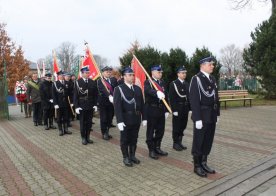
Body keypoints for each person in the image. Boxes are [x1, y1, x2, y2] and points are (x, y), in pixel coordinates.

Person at [189, 56, 220, 177]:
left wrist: (217, 114)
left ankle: (204, 162)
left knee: (208, 140)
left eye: (213, 64)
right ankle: (197, 166)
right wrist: (197, 118)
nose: (212, 66)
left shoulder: (212, 78)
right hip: (202, 115)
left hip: (211, 114)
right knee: (199, 140)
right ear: (202, 65)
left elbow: (216, 98)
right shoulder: (196, 79)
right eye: (210, 64)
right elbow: (194, 100)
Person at [113, 67, 146, 167]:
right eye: (129, 75)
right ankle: (125, 157)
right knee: (125, 139)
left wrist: (144, 117)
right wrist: (119, 121)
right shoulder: (119, 89)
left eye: (133, 75)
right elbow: (117, 106)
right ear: (123, 76)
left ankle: (132, 155)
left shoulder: (137, 89)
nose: (132, 77)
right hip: (125, 118)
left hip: (136, 118)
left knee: (134, 138)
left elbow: (142, 104)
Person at [144, 65, 169, 160]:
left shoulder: (162, 82)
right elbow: (147, 90)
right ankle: (151, 150)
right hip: (152, 109)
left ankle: (157, 147)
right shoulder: (148, 82)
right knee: (150, 131)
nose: (161, 73)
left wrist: (166, 110)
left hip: (161, 109)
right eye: (159, 72)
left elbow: (166, 96)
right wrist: (156, 93)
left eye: (161, 72)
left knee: (160, 130)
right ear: (153, 72)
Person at [74, 66, 98, 145]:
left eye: (88, 73)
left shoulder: (92, 81)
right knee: (83, 123)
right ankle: (83, 138)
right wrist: (76, 106)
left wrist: (95, 104)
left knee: (89, 123)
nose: (88, 74)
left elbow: (95, 94)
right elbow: (75, 95)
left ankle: (88, 137)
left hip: (90, 105)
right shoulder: (78, 82)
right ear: (82, 73)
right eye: (86, 73)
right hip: (82, 105)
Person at [169, 66, 190, 151]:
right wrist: (174, 110)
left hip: (185, 107)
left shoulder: (186, 83)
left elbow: (189, 97)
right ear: (178, 74)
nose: (184, 74)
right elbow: (171, 98)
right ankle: (175, 143)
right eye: (182, 73)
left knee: (183, 125)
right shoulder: (173, 84)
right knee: (176, 126)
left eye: (185, 73)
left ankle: (180, 142)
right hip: (178, 107)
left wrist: (190, 108)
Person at [97, 66, 118, 140]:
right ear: (103, 73)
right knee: (104, 118)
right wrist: (109, 95)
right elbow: (102, 89)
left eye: (109, 72)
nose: (108, 73)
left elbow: (116, 89)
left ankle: (107, 131)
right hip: (103, 102)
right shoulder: (100, 81)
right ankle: (104, 133)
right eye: (107, 72)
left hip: (112, 103)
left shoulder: (113, 80)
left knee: (110, 117)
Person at [52, 71, 72, 136]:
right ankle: (60, 130)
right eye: (60, 75)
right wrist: (55, 104)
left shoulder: (67, 83)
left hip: (66, 103)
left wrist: (71, 102)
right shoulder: (55, 84)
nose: (62, 76)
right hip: (59, 103)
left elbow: (70, 94)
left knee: (66, 117)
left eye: (62, 75)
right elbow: (54, 95)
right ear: (58, 76)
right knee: (59, 117)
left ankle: (66, 129)